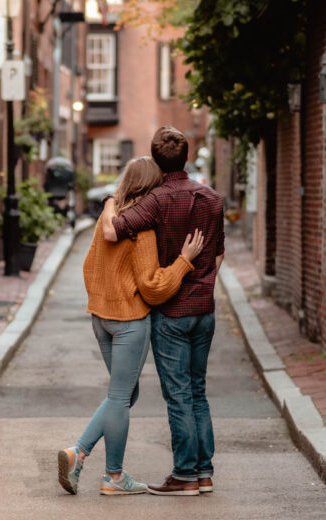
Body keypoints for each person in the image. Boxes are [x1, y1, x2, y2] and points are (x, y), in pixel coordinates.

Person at [58, 156, 205, 496]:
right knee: (122, 396)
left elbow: (89, 267)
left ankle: (78, 454)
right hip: (129, 322)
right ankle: (111, 475)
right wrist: (184, 261)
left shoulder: (108, 216)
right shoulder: (144, 227)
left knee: (123, 394)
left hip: (101, 318)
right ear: (152, 187)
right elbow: (154, 286)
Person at [100, 126, 225, 496]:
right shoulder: (213, 199)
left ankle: (184, 474)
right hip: (205, 309)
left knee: (179, 394)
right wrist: (203, 284)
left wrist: (111, 201)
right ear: (187, 157)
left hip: (171, 312)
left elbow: (112, 233)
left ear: (155, 160)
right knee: (198, 391)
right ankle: (204, 474)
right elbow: (218, 254)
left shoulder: (155, 201)